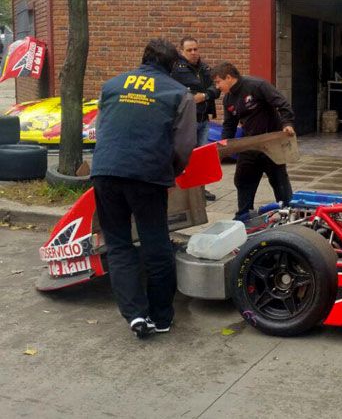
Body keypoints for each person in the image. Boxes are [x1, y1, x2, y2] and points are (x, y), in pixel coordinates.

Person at [91, 38, 196, 339]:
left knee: (119, 245)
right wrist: (169, 171)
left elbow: (103, 129)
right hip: (147, 176)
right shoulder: (179, 94)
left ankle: (135, 315)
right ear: (172, 65)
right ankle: (161, 317)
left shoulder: (111, 86)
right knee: (156, 245)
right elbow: (184, 145)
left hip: (105, 172)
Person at [211, 62, 296, 221]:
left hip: (271, 143)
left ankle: (288, 212)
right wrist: (222, 148)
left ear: (228, 77)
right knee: (242, 178)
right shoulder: (229, 99)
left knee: (278, 180)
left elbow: (282, 104)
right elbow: (229, 125)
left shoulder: (257, 86)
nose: (217, 86)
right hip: (250, 144)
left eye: (218, 82)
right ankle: (244, 215)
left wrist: (287, 124)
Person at [170, 36, 220, 201]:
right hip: (187, 121)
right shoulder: (176, 69)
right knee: (184, 157)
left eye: (195, 49)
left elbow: (216, 87)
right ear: (182, 51)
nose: (193, 53)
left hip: (204, 120)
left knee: (202, 157)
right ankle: (183, 189)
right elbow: (178, 92)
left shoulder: (205, 68)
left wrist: (205, 95)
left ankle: (200, 190)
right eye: (189, 50)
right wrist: (195, 94)